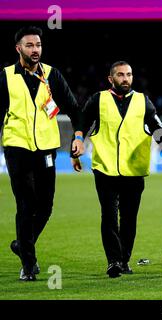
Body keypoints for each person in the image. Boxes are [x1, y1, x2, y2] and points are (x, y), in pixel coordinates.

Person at [0, 26, 84, 281]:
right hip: (17, 148)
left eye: (38, 45)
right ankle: (29, 264)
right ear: (18, 49)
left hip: (46, 150)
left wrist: (78, 137)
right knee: (25, 205)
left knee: (45, 207)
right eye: (29, 45)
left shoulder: (52, 75)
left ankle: (23, 245)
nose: (35, 50)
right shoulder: (5, 77)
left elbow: (74, 109)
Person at [71, 61, 162, 278]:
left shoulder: (143, 101)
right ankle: (113, 261)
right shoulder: (98, 99)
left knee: (129, 218)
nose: (126, 79)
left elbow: (158, 128)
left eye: (129, 74)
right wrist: (76, 145)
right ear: (111, 79)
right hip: (105, 168)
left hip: (134, 170)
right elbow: (82, 122)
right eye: (121, 75)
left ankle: (124, 260)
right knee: (109, 216)